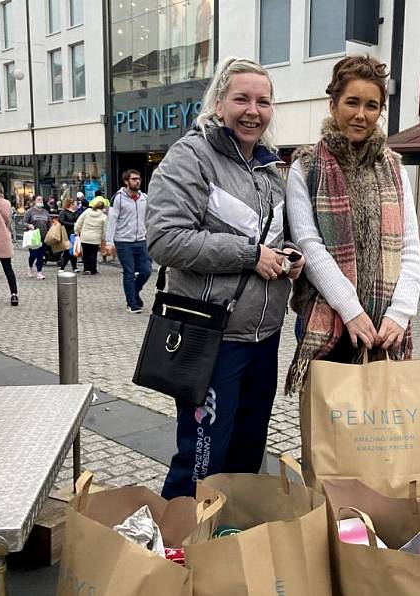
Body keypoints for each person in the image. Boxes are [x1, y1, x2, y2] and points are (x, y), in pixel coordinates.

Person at [146, 57, 303, 499]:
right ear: (219, 103)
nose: (253, 110)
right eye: (242, 99)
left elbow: (274, 237)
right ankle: (178, 552)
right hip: (211, 336)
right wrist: (251, 256)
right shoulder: (190, 156)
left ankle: (229, 543)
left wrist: (288, 255)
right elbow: (164, 239)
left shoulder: (271, 171)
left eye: (263, 101)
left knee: (247, 455)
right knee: (202, 458)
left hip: (263, 337)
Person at [285, 55, 420, 394]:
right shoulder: (305, 168)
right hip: (327, 321)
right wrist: (351, 310)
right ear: (333, 105)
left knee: (381, 435)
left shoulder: (395, 169)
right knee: (327, 439)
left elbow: (410, 248)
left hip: (385, 326)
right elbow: (308, 245)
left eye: (372, 105)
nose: (361, 115)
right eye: (352, 102)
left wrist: (399, 314)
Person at [107, 170, 152, 312]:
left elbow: (149, 218)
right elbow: (111, 221)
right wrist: (109, 242)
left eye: (138, 179)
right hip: (124, 241)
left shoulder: (144, 197)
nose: (137, 181)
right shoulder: (118, 198)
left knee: (146, 270)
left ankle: (134, 291)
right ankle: (131, 303)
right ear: (126, 181)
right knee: (129, 272)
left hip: (141, 240)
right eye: (133, 179)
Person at [74, 198, 107, 274]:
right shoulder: (103, 217)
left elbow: (79, 222)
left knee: (85, 253)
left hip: (85, 236)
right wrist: (104, 239)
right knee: (93, 254)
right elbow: (105, 229)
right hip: (95, 238)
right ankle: (93, 269)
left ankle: (86, 269)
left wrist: (76, 231)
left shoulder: (87, 212)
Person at [23, 195, 51, 280]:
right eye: (38, 199)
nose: (40, 201)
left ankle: (39, 272)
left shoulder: (45, 212)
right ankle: (30, 266)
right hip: (33, 236)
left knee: (40, 255)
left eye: (42, 200)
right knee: (33, 254)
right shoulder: (30, 211)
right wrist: (29, 225)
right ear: (34, 201)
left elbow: (49, 222)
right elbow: (24, 222)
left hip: (43, 236)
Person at [58, 197, 80, 272]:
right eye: (75, 204)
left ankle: (74, 266)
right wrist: (73, 224)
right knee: (67, 250)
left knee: (74, 250)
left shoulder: (77, 212)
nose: (77, 205)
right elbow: (61, 221)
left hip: (75, 233)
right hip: (66, 233)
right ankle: (62, 266)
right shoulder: (64, 212)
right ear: (71, 204)